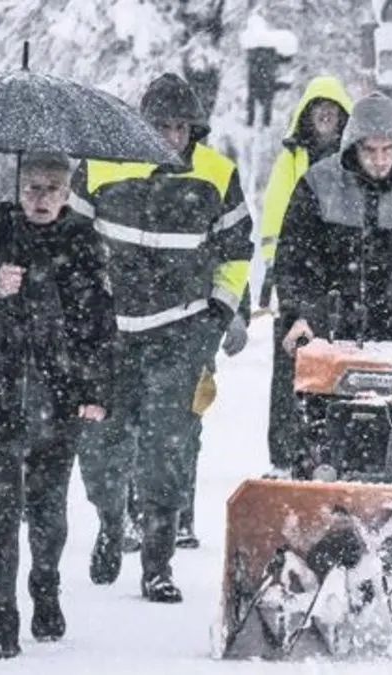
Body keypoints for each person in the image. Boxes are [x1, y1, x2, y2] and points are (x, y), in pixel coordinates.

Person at [69, 73, 254, 603]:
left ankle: (158, 564)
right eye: (161, 126)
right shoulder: (100, 165)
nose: (172, 136)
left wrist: (217, 314)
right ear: (141, 125)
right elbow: (71, 239)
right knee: (101, 447)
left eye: (181, 127)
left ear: (195, 129)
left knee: (166, 454)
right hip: (110, 336)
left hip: (181, 333)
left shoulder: (218, 175)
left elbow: (237, 251)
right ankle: (110, 521)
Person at [0, 152, 115, 659]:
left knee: (48, 511)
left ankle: (45, 585)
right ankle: (1, 619)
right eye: (31, 187)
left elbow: (99, 325)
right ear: (16, 188)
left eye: (52, 189)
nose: (40, 199)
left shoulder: (83, 243)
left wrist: (96, 391)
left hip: (59, 398)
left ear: (68, 193)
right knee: (1, 511)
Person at [274, 90, 392, 394]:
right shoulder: (318, 185)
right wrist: (299, 314)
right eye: (369, 151)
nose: (379, 161)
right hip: (334, 338)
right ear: (354, 147)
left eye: (387, 150)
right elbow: (294, 262)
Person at [254, 74, 352, 475]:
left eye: (332, 111)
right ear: (308, 117)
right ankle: (286, 453)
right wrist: (273, 272)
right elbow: (275, 216)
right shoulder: (291, 161)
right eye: (320, 111)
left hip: (340, 278)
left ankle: (329, 450)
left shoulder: (351, 158)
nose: (326, 118)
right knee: (289, 368)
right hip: (298, 276)